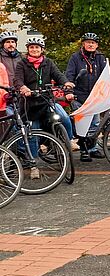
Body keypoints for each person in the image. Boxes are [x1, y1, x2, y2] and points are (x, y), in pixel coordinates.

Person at [13, 38, 75, 179]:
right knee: (33, 134)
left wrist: (66, 83)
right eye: (32, 47)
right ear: (28, 49)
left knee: (63, 117)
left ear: (42, 50)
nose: (34, 50)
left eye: (37, 47)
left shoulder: (48, 63)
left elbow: (58, 75)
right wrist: (23, 88)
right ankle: (34, 165)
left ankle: (70, 140)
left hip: (46, 100)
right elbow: (17, 79)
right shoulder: (22, 64)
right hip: (30, 105)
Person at [65, 33, 109, 161]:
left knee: (95, 124)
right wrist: (68, 91)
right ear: (83, 44)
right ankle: (84, 150)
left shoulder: (100, 58)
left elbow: (104, 75)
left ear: (97, 45)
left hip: (94, 97)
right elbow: (69, 75)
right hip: (79, 95)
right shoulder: (75, 58)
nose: (90, 44)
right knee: (82, 125)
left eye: (93, 42)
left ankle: (92, 148)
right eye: (88, 42)